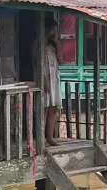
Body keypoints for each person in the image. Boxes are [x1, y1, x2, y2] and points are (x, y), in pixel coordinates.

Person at [43, 18, 61, 146]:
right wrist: (44, 81)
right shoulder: (39, 44)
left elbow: (61, 59)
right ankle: (41, 137)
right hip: (44, 78)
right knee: (44, 108)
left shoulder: (53, 45)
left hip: (54, 78)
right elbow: (37, 62)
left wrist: (56, 42)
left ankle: (50, 136)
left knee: (53, 108)